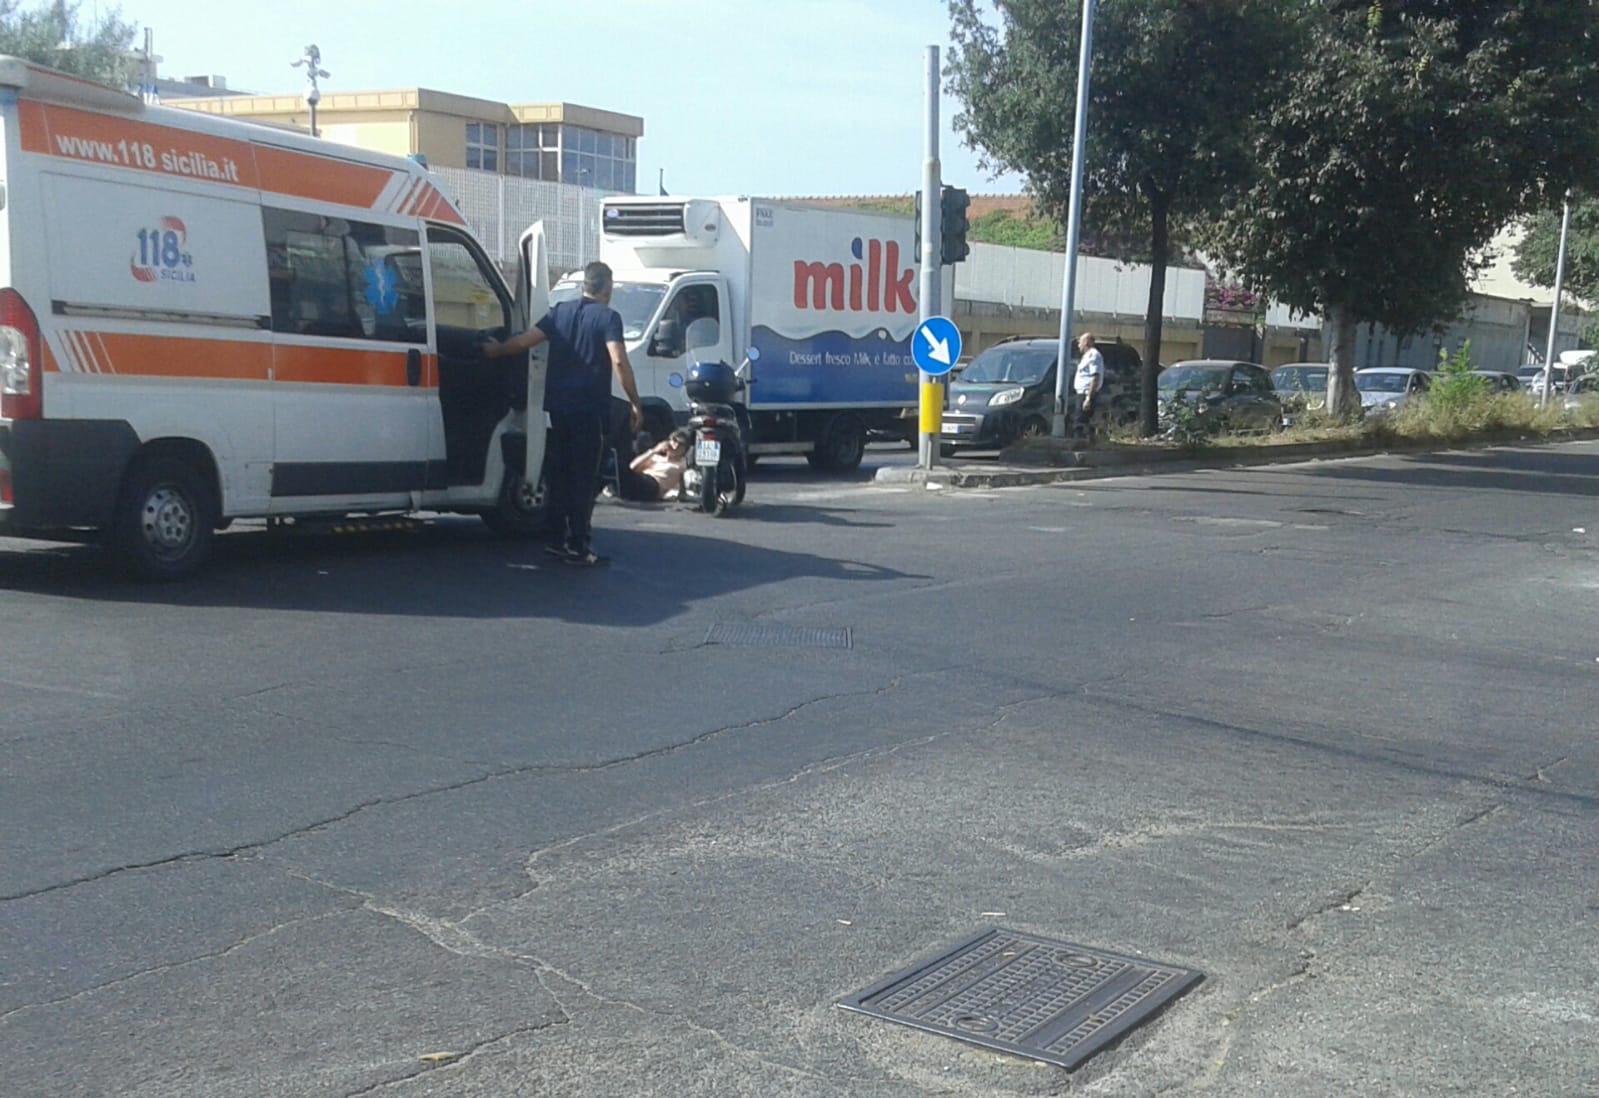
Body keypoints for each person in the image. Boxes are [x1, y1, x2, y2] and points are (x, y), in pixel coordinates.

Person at [484, 261, 642, 566]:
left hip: (557, 407)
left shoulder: (560, 313)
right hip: (589, 409)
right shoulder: (609, 318)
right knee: (584, 477)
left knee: (560, 474)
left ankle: (556, 539)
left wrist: (496, 350)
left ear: (584, 284)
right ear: (607, 288)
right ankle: (579, 545)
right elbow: (619, 361)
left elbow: (524, 341)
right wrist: (635, 401)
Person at [615, 429, 691, 502]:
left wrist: (681, 495)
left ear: (684, 450)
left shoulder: (681, 463)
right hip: (642, 479)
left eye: (681, 445)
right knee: (619, 467)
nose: (676, 446)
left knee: (624, 472)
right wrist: (654, 451)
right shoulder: (656, 458)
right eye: (674, 441)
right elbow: (633, 467)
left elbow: (682, 484)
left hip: (654, 486)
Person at [1071, 332, 1104, 440]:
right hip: (1081, 393)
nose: (1078, 345)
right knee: (1081, 420)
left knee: (1080, 421)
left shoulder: (1093, 355)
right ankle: (1085, 441)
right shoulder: (1086, 356)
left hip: (1086, 393)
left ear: (1086, 342)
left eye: (1080, 342)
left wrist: (1088, 398)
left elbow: (1095, 377)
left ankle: (1080, 444)